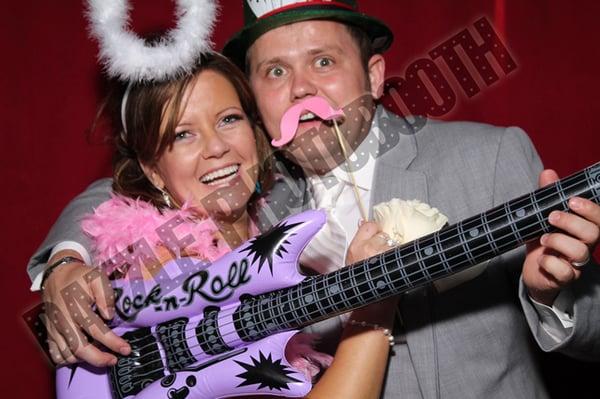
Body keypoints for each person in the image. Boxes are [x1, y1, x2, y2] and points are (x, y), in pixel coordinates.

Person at [29, 1, 600, 398]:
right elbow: (130, 187)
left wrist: (555, 296)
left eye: (323, 62)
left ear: (375, 76)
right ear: (256, 100)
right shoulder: (255, 188)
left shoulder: (492, 155)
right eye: (275, 71)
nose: (301, 88)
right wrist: (66, 258)